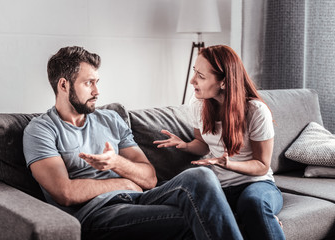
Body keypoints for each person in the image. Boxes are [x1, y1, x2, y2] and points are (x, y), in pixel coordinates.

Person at [23, 46, 244, 240]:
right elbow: (66, 193)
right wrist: (123, 183)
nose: (97, 91)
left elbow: (149, 178)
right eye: (88, 83)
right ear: (63, 85)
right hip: (97, 214)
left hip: (139, 198)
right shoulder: (41, 130)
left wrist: (116, 163)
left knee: (201, 176)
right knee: (200, 217)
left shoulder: (109, 118)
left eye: (97, 82)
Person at [154, 45, 285, 240]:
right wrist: (186, 145)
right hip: (220, 186)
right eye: (194, 72)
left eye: (201, 76)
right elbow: (203, 143)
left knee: (252, 203)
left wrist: (229, 164)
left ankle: (260, 218)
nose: (192, 81)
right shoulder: (198, 104)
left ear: (223, 82)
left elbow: (261, 165)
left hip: (257, 184)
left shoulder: (256, 111)